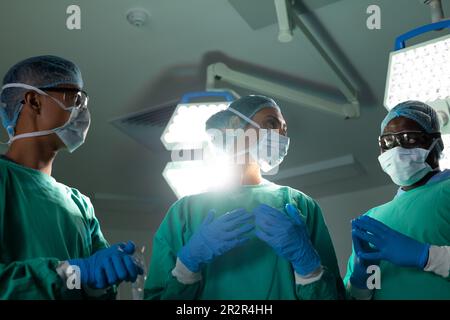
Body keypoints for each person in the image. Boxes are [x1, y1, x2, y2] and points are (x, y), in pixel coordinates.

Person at [144, 95, 345, 300]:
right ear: (234, 124)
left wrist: (309, 269)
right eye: (271, 123)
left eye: (284, 130)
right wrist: (186, 268)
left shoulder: (299, 204)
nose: (280, 136)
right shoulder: (184, 212)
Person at [0, 55, 142, 299]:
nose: (83, 110)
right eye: (74, 98)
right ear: (34, 101)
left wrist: (102, 278)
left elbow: (98, 292)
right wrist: (72, 273)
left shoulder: (80, 205)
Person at [344, 101, 450, 300]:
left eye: (409, 138)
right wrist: (362, 282)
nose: (396, 148)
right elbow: (358, 297)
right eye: (387, 142)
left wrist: (427, 256)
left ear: (438, 143)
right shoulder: (372, 219)